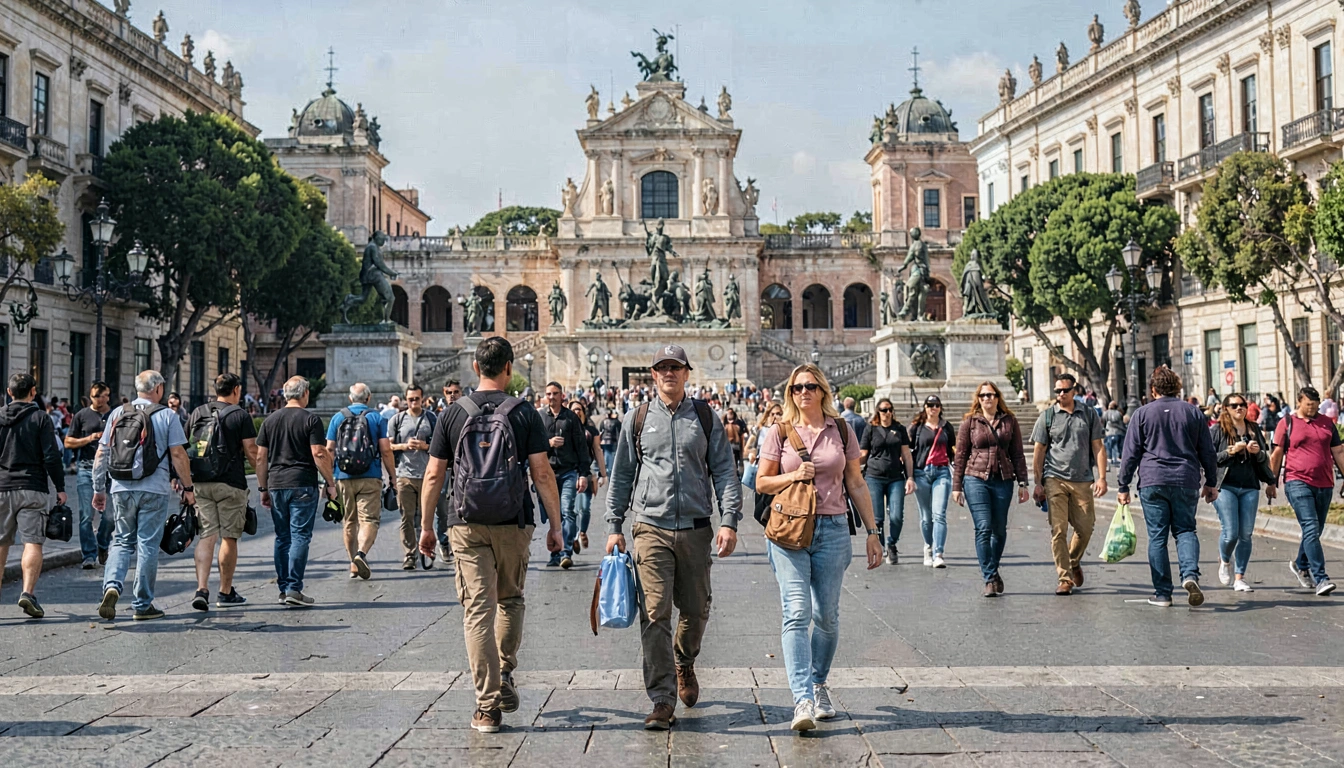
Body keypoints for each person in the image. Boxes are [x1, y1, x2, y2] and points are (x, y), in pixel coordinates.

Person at [417, 336, 564, 733]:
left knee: (477, 610)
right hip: (514, 518)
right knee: (510, 599)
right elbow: (542, 473)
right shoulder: (524, 412)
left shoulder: (453, 413)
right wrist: (556, 525)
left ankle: (487, 706)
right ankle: (505, 671)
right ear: (509, 368)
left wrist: (427, 526)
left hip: (465, 521)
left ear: (475, 367)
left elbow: (433, 474)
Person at [605, 344, 742, 731]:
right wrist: (614, 526)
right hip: (650, 526)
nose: (669, 373)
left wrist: (729, 520)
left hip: (696, 527)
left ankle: (684, 659)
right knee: (654, 613)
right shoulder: (637, 418)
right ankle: (662, 699)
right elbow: (621, 475)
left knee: (696, 610)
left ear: (686, 373)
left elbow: (724, 471)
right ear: (653, 374)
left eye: (675, 367)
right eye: (662, 367)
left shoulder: (704, 417)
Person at [756, 363, 881, 732]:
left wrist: (873, 531)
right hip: (789, 530)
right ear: (790, 393)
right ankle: (802, 699)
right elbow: (762, 482)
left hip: (833, 528)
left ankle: (818, 682)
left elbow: (855, 481)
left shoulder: (841, 429)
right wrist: (794, 474)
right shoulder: (779, 431)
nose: (803, 393)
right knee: (797, 612)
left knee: (826, 616)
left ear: (823, 390)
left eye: (810, 386)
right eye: (796, 388)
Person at [93, 370, 196, 621]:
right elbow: (178, 454)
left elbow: (101, 452)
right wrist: (188, 488)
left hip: (121, 487)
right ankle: (142, 604)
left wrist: (98, 488)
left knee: (121, 540)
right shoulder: (167, 415)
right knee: (147, 544)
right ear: (158, 389)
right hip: (154, 488)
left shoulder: (117, 413)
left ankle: (112, 586)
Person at [1117, 368, 1219, 608]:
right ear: (1177, 388)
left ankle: (1163, 593)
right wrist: (1211, 482)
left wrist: (1123, 485)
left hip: (1152, 480)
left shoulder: (1142, 414)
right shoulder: (1193, 412)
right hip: (1185, 479)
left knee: (1157, 537)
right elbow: (1207, 451)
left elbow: (1130, 454)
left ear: (1153, 390)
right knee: (1185, 530)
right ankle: (1190, 575)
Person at [256, 376, 337, 606]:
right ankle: (294, 588)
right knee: (300, 535)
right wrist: (330, 483)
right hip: (302, 482)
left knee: (282, 537)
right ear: (305, 393)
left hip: (276, 483)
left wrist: (263, 487)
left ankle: (284, 589)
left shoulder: (270, 420)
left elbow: (260, 457)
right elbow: (319, 453)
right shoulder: (311, 419)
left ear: (285, 394)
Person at [187, 373, 259, 610]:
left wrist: (183, 481)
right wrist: (263, 479)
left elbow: (186, 446)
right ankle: (225, 592)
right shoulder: (240, 415)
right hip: (230, 482)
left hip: (201, 481)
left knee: (207, 535)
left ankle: (201, 588)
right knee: (229, 536)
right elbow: (251, 451)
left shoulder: (198, 412)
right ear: (236, 389)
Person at [1031, 373, 1106, 595]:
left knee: (1085, 528)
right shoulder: (1047, 416)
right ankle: (1064, 578)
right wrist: (1038, 482)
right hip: (1055, 478)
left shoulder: (1089, 414)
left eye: (1065, 390)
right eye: (1058, 391)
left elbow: (1098, 446)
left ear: (1074, 391)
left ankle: (1073, 561)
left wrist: (1102, 477)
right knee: (1059, 530)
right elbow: (1039, 451)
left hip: (1082, 480)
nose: (1061, 394)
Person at [952, 382, 1029, 597]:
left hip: (1003, 479)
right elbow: (960, 456)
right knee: (983, 527)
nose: (987, 398)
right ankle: (989, 577)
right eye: (983, 395)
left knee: (999, 529)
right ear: (978, 399)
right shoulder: (969, 422)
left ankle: (992, 569)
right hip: (975, 478)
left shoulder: (1009, 421)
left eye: (991, 395)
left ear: (997, 397)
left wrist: (1023, 482)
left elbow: (1018, 453)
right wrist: (956, 486)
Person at [0, 373, 67, 618]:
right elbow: (51, 455)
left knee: (1, 543)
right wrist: (60, 487)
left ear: (9, 392)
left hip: (2, 487)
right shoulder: (41, 418)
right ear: (33, 392)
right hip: (33, 487)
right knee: (33, 542)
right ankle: (27, 593)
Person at [1269, 386, 1344, 597]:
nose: (1312, 409)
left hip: (1325, 483)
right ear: (1299, 402)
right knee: (1310, 525)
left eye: (1315, 405)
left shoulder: (1327, 423)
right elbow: (1277, 454)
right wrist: (1271, 482)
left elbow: (1338, 452)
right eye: (1309, 405)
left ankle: (1301, 564)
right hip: (1297, 481)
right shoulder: (1287, 423)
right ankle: (1321, 578)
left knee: (1316, 530)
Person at [327, 383, 396, 580]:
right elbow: (385, 450)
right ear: (369, 398)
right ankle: (361, 554)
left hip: (343, 476)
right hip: (370, 475)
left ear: (350, 398)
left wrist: (329, 479)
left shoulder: (338, 417)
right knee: (369, 520)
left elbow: (329, 449)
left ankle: (353, 564)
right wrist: (392, 476)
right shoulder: (376, 418)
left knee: (349, 521)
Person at [1211, 392, 1275, 593]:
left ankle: (1240, 577)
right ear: (1226, 409)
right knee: (1231, 533)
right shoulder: (1217, 430)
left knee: (1246, 534)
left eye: (1242, 405)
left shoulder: (1253, 428)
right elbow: (1209, 458)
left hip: (1249, 486)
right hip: (1225, 486)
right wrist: (1230, 451)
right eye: (1234, 405)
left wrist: (1258, 454)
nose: (1239, 408)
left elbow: (1265, 457)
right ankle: (1224, 560)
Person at [539, 381, 590, 569]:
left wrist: (583, 474)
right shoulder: (540, 418)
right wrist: (549, 443)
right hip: (548, 473)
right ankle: (555, 552)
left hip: (568, 471)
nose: (552, 397)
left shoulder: (570, 418)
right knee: (553, 515)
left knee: (567, 510)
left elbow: (581, 447)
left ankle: (565, 551)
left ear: (562, 396)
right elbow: (534, 446)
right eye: (548, 394)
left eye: (555, 393)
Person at [389, 385, 438, 571]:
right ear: (405, 400)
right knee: (407, 518)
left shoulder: (431, 418)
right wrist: (404, 446)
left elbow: (440, 446)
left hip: (426, 475)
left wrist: (425, 447)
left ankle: (426, 551)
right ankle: (410, 555)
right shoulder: (397, 419)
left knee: (425, 517)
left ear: (422, 399)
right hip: (405, 475)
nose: (414, 402)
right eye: (410, 399)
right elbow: (388, 446)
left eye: (417, 399)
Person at [860, 397, 914, 565]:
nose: (887, 413)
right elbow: (863, 454)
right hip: (874, 476)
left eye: (890, 409)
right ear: (878, 412)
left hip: (896, 477)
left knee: (896, 516)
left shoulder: (899, 429)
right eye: (884, 410)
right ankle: (882, 545)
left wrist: (910, 477)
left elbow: (906, 454)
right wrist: (848, 465)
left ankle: (892, 542)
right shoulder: (870, 429)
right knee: (877, 518)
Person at [66, 381, 113, 568]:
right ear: (90, 396)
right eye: (95, 396)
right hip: (87, 468)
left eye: (103, 396)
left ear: (108, 396)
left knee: (110, 517)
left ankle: (103, 542)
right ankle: (89, 555)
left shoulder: (115, 415)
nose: (99, 400)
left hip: (110, 470)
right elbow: (68, 442)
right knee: (86, 515)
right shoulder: (82, 415)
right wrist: (89, 438)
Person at [910, 395, 955, 567]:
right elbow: (908, 451)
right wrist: (909, 476)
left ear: (940, 408)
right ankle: (928, 546)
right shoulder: (917, 427)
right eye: (930, 405)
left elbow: (953, 448)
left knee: (939, 514)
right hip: (921, 472)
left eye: (936, 405)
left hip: (942, 472)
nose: (933, 408)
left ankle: (938, 553)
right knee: (926, 516)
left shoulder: (946, 427)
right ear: (925, 407)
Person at [568, 399, 607, 553]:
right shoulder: (565, 429)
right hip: (569, 472)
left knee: (584, 507)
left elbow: (597, 450)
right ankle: (573, 537)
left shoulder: (591, 431)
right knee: (571, 509)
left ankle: (582, 532)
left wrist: (603, 474)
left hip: (587, 472)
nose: (577, 412)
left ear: (584, 412)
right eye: (573, 410)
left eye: (579, 409)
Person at [435, 380, 464, 560]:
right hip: (445, 470)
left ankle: (458, 542)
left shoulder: (468, 415)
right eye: (449, 392)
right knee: (442, 509)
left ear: (461, 393)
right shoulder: (440, 417)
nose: (452, 395)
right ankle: (444, 541)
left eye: (456, 392)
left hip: (463, 470)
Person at [723, 408, 746, 474]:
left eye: (731, 413)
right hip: (728, 447)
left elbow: (741, 437)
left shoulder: (738, 425)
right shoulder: (724, 426)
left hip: (736, 446)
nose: (730, 414)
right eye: (728, 413)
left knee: (735, 463)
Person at [599, 408, 622, 474]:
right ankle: (611, 469)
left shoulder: (603, 422)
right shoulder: (616, 422)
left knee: (607, 455)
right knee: (612, 455)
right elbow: (619, 431)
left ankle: (607, 468)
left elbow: (601, 431)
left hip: (604, 441)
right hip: (613, 441)